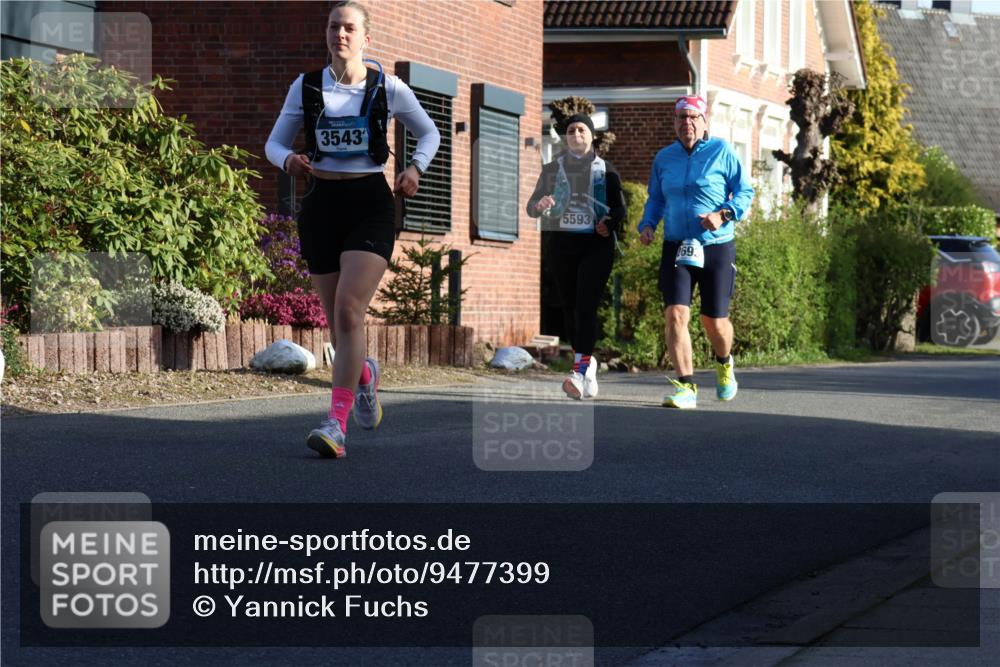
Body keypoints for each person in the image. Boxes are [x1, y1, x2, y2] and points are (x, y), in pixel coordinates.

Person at [265, 0, 440, 457]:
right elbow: (274, 142)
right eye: (333, 27)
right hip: (321, 203)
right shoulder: (305, 87)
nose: (339, 35)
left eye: (348, 28)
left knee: (348, 311)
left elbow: (430, 133)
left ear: (366, 38)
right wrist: (288, 159)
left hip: (370, 203)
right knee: (339, 323)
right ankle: (365, 375)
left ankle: (335, 425)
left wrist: (416, 170)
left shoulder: (389, 87)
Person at [638, 96, 754, 409]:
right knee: (675, 314)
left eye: (692, 118)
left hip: (715, 244)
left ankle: (724, 362)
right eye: (680, 118)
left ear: (704, 122)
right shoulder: (664, 158)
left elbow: (745, 191)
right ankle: (686, 386)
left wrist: (724, 214)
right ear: (674, 123)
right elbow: (656, 199)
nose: (686, 123)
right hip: (676, 244)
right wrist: (647, 224)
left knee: (713, 321)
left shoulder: (721, 151)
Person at [527, 113, 626, 400]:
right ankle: (587, 363)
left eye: (582, 129)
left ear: (591, 135)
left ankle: (579, 371)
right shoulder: (552, 169)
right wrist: (540, 203)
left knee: (585, 305)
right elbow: (531, 207)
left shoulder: (606, 170)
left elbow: (620, 210)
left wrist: (608, 224)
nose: (576, 134)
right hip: (562, 245)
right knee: (569, 308)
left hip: (596, 246)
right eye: (571, 130)